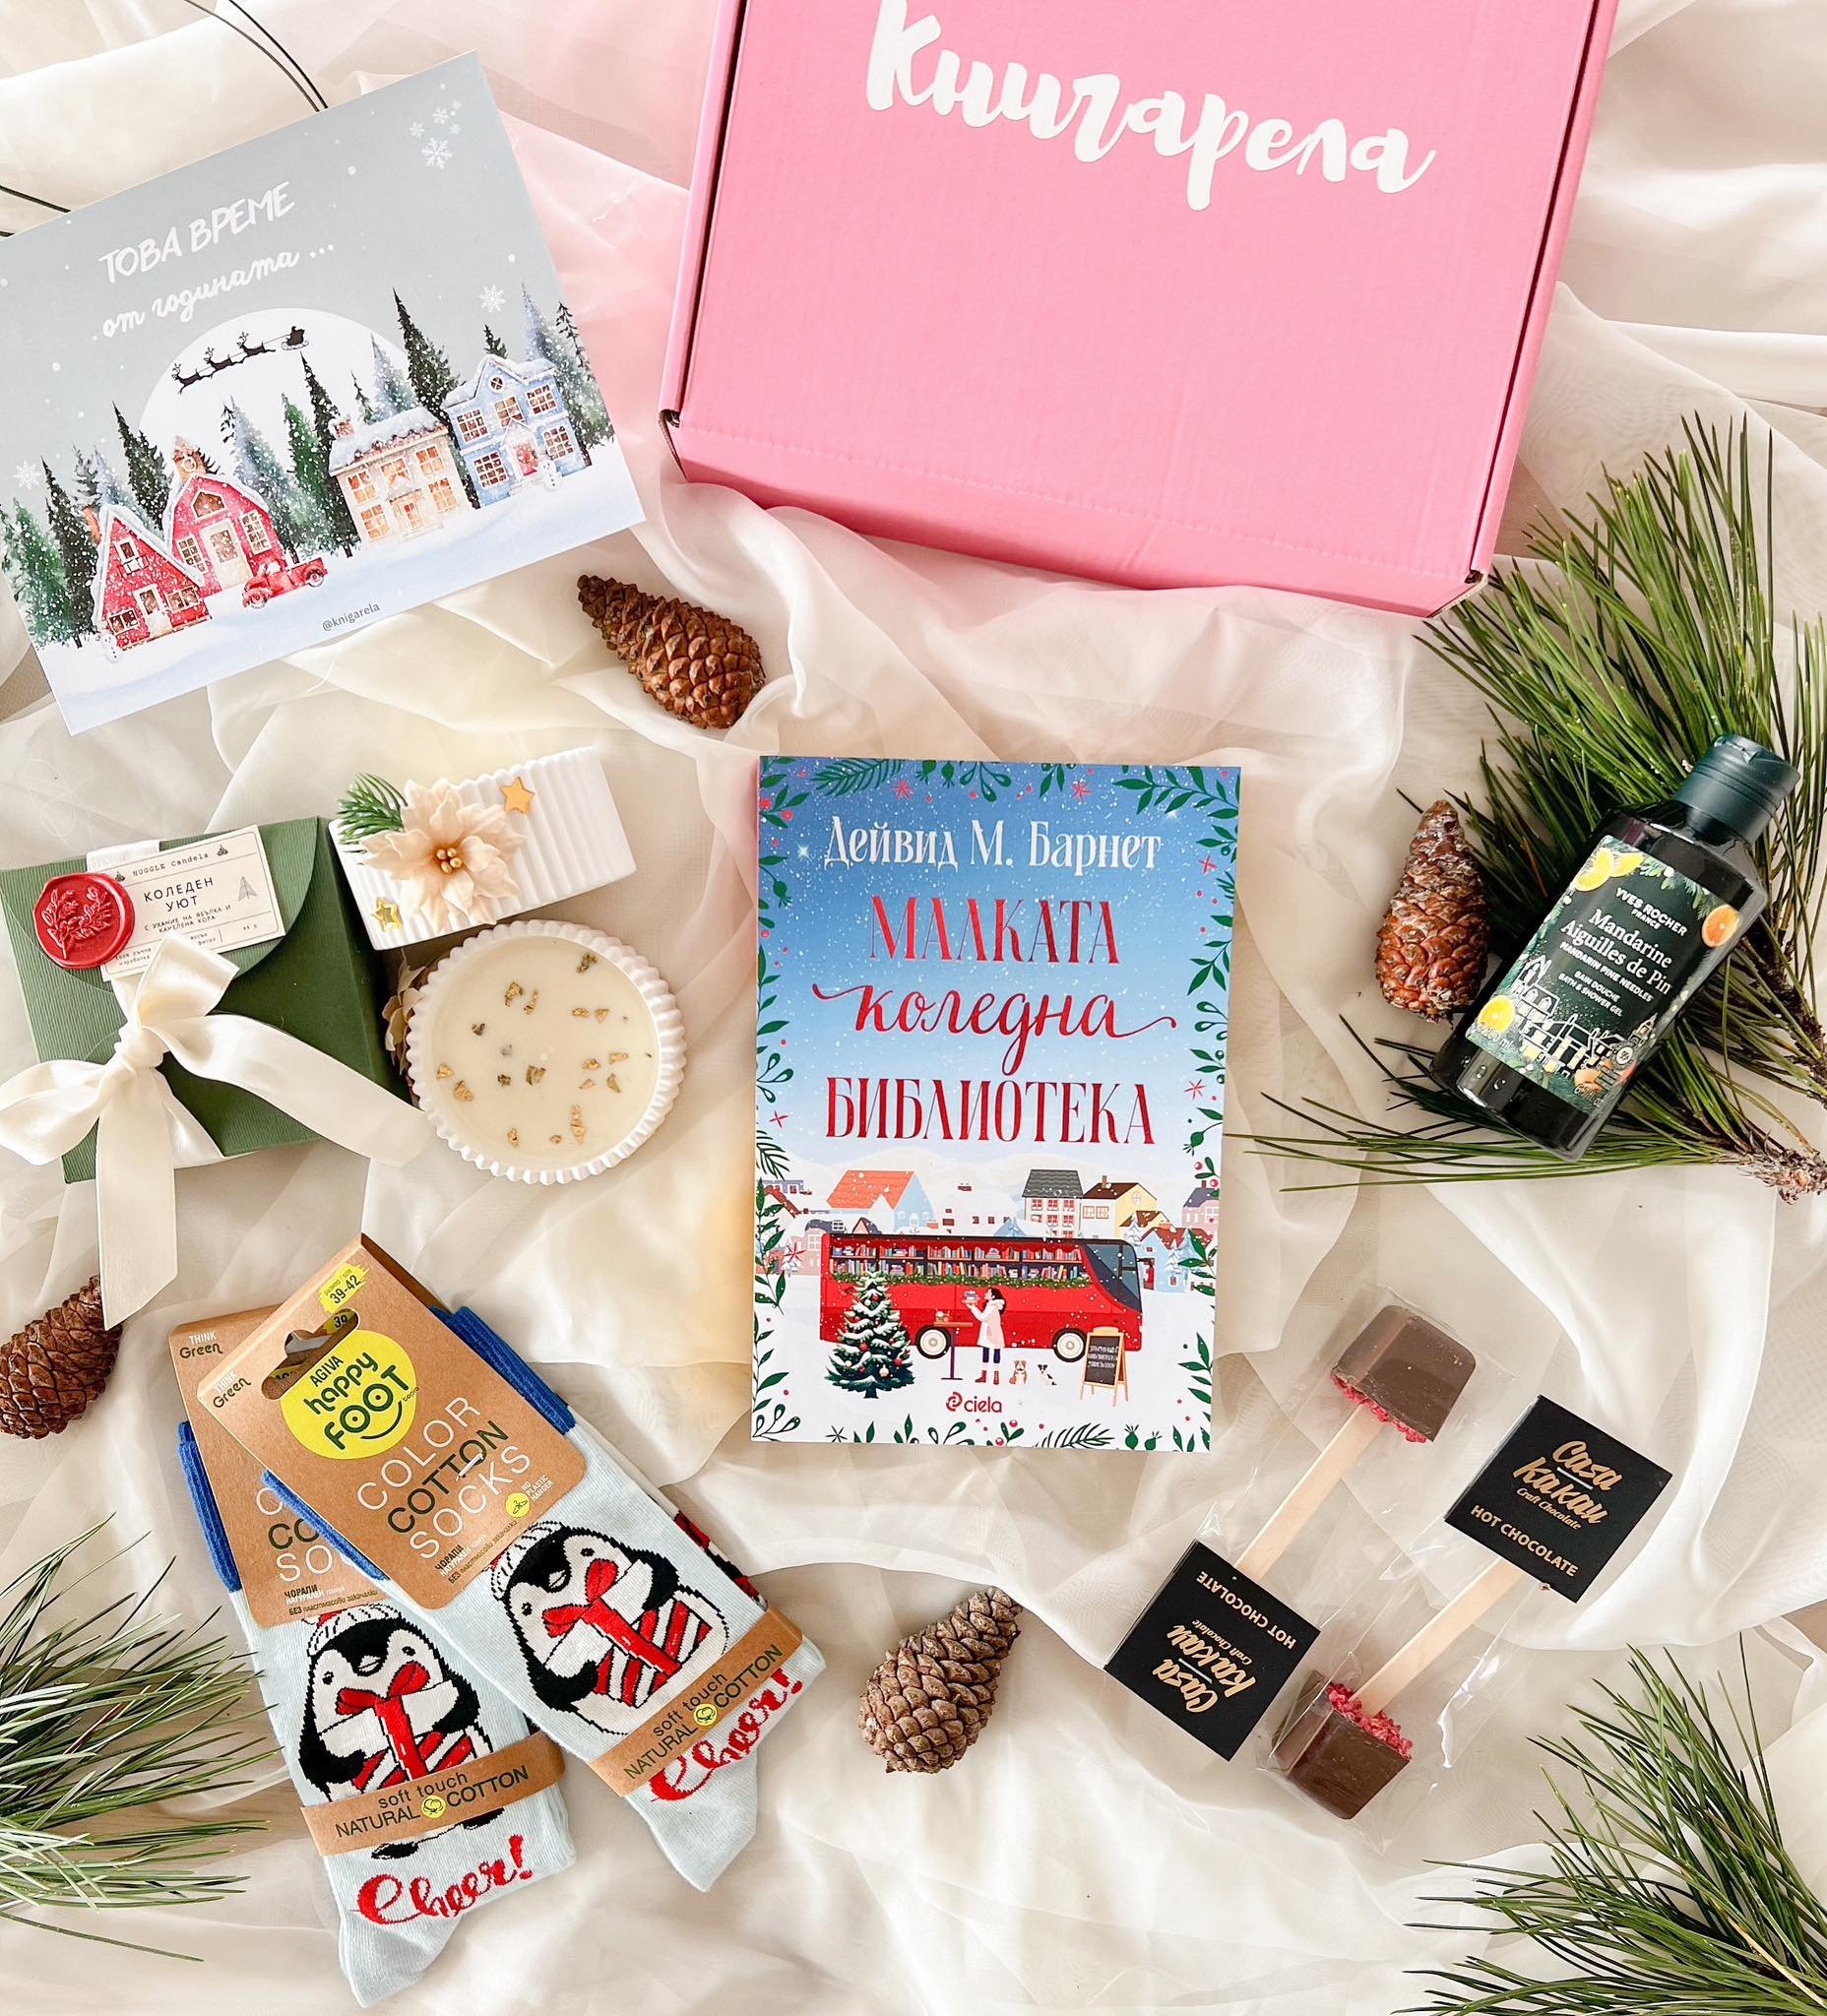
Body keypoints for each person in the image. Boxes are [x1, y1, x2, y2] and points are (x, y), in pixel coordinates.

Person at [966, 1286, 1007, 1384]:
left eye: (988, 1293)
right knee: (996, 1352)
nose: (985, 1294)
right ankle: (996, 1376)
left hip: (989, 1333)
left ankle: (984, 1375)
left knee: (986, 1352)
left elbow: (982, 1317)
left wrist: (973, 1308)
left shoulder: (991, 1306)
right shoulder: (995, 1305)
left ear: (993, 1296)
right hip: (995, 1332)